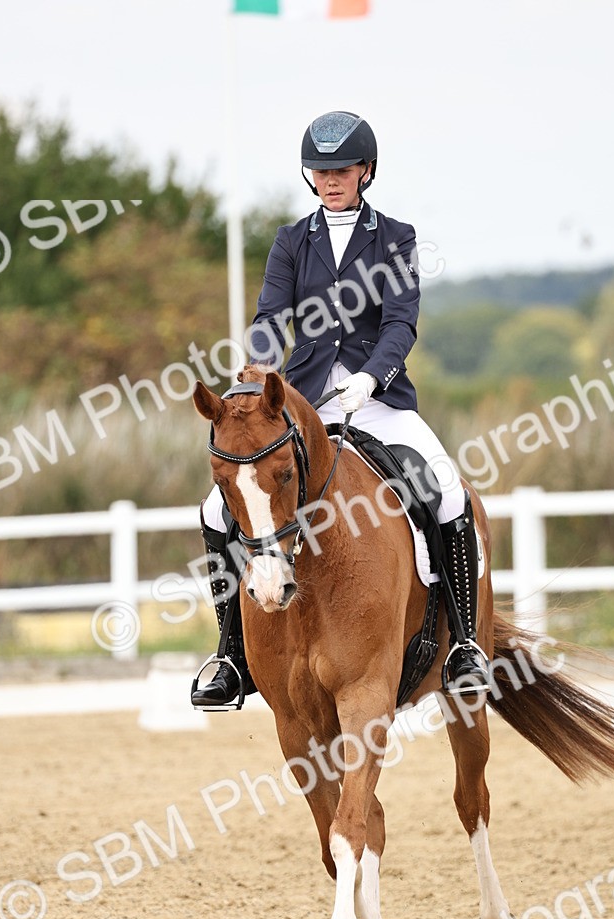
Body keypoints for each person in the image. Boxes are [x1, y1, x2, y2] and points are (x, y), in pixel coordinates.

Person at [191, 110, 490, 709]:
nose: (331, 179)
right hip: (301, 401)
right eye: (321, 170)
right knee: (214, 507)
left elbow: (401, 322)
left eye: (343, 169)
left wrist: (371, 377)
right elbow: (271, 318)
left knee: (448, 492)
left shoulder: (395, 237)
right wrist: (256, 374)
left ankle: (462, 644)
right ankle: (231, 653)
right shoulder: (290, 241)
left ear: (366, 172)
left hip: (376, 399)